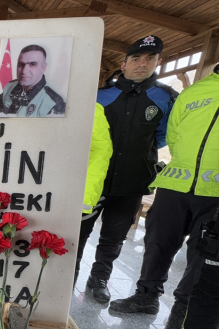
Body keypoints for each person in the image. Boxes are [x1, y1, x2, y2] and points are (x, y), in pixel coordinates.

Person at [110, 63, 219, 329]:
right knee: (158, 242)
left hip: (215, 194)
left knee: (200, 259)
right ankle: (146, 296)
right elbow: (173, 134)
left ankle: (181, 318)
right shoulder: (194, 92)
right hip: (175, 184)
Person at [74, 35, 178, 304]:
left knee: (114, 236)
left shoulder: (166, 98)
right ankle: (68, 276)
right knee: (79, 232)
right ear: (124, 64)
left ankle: (99, 279)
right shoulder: (99, 95)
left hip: (132, 181)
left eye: (150, 58)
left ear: (158, 62)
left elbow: (165, 135)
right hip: (93, 179)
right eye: (136, 59)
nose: (142, 64)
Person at [0, 44, 65, 117]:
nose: (24, 71)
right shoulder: (9, 87)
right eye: (21, 64)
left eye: (32, 64)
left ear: (43, 68)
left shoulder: (53, 104)